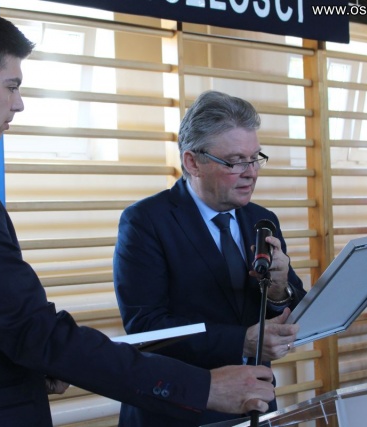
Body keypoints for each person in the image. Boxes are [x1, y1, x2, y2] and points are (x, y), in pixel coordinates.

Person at [0, 7, 277, 427]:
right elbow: (35, 332)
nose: (19, 103)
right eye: (12, 86)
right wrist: (204, 388)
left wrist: (43, 358)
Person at [113, 90, 307, 426]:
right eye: (235, 161)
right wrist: (242, 342)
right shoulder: (146, 221)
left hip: (255, 404)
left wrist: (279, 290)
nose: (251, 172)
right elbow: (147, 328)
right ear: (193, 162)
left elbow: (292, 307)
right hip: (178, 410)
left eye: (255, 158)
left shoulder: (263, 219)